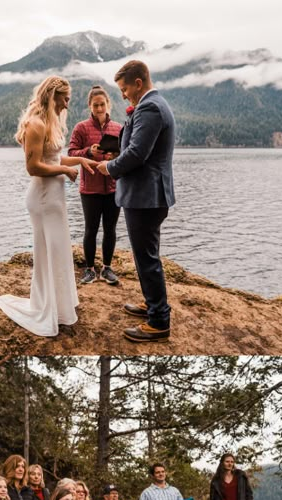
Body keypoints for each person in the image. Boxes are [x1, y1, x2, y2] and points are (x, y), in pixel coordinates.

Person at [0, 75, 97, 337]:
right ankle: (47, 309)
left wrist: (80, 161)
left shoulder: (48, 123)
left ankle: (61, 307)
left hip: (55, 198)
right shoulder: (36, 124)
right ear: (53, 95)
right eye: (65, 99)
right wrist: (64, 170)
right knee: (49, 252)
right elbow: (33, 167)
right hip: (42, 198)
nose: (67, 105)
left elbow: (53, 155)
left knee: (59, 250)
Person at [96, 60, 175, 343]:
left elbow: (137, 154)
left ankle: (158, 322)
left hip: (146, 196)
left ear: (138, 83)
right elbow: (135, 147)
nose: (123, 95)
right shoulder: (153, 105)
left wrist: (110, 167)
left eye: (125, 88)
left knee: (146, 256)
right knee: (145, 254)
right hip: (147, 195)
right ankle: (151, 304)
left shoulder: (151, 107)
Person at [68, 85, 122, 286]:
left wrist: (114, 156)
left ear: (108, 104)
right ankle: (89, 270)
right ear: (89, 106)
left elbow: (124, 154)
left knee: (111, 229)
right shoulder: (81, 128)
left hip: (113, 187)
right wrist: (88, 152)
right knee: (91, 230)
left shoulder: (118, 128)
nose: (99, 109)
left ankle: (107, 268)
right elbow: (71, 153)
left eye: (102, 105)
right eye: (95, 105)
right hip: (89, 189)